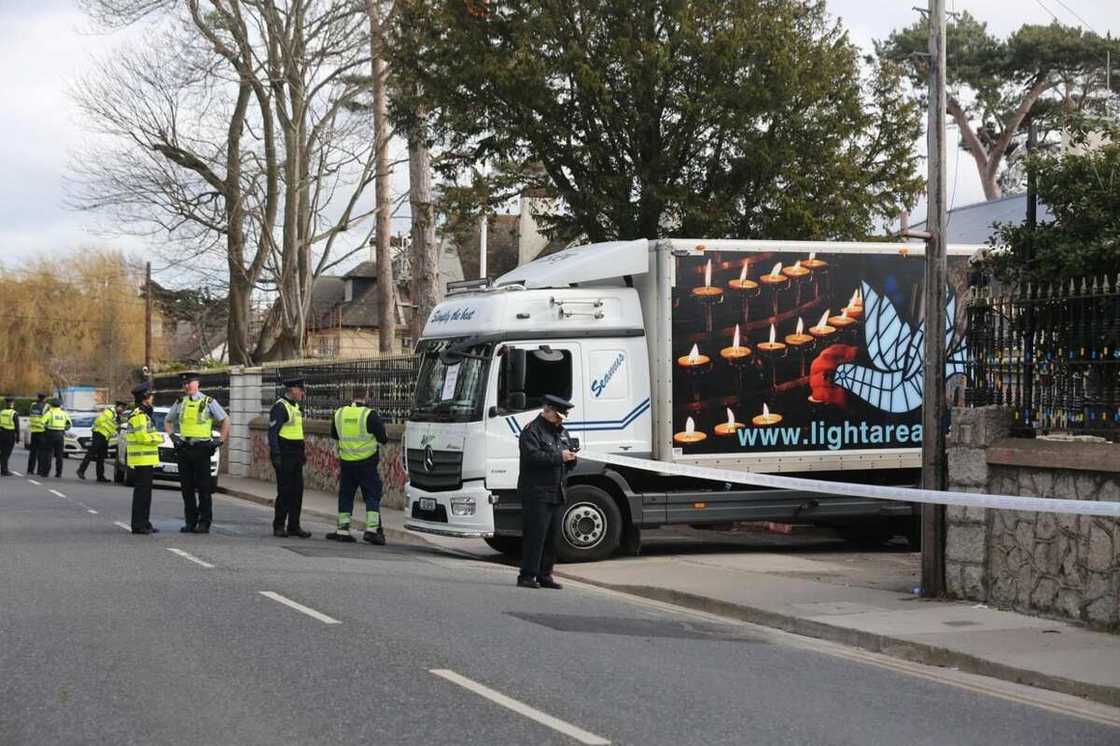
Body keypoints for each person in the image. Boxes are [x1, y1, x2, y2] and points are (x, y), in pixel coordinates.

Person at [516, 394, 577, 590]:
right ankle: (527, 575)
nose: (560, 420)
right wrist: (560, 456)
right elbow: (533, 457)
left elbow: (566, 460)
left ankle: (545, 574)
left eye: (562, 417)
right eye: (557, 416)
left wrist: (571, 459)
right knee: (536, 536)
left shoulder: (560, 432)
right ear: (547, 411)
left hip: (556, 490)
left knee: (552, 537)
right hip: (537, 491)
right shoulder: (532, 431)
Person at [165, 373, 230, 534]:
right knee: (186, 488)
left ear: (197, 383)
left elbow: (225, 420)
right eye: (184, 383)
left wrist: (220, 440)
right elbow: (168, 421)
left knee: (204, 488)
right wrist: (174, 437)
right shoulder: (180, 402)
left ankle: (204, 522)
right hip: (185, 448)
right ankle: (190, 522)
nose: (187, 386)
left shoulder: (208, 402)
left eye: (189, 383)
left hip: (202, 449)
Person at [326, 391, 388, 544]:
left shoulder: (339, 413)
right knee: (372, 495)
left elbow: (335, 435)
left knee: (346, 495)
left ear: (352, 396)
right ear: (366, 397)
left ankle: (343, 529)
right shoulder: (370, 415)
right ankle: (372, 530)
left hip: (347, 462)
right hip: (366, 463)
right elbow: (383, 438)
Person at [268, 377, 311, 538]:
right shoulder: (280, 407)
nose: (302, 393)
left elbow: (297, 432)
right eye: (300, 390)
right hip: (284, 455)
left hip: (296, 455)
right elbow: (273, 433)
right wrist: (276, 454)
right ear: (292, 390)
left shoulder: (296, 407)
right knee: (285, 492)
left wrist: (302, 453)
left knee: (297, 492)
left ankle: (294, 525)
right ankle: (279, 525)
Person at [127, 383, 162, 535]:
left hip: (146, 460)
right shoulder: (139, 415)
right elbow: (142, 436)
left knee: (146, 494)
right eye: (151, 396)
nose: (153, 398)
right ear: (145, 398)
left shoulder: (144, 414)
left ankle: (145, 523)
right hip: (142, 459)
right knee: (142, 494)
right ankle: (138, 525)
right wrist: (157, 438)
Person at [78, 401, 125, 483]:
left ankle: (100, 476)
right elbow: (99, 422)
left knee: (101, 457)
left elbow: (114, 426)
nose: (123, 410)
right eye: (122, 408)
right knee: (91, 454)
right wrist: (110, 428)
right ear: (117, 406)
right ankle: (80, 470)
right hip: (99, 434)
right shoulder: (109, 412)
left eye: (124, 409)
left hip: (105, 437)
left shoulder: (116, 415)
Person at [39, 398, 70, 479]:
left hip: (50, 434)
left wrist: (46, 428)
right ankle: (58, 473)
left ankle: (45, 473)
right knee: (59, 455)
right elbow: (69, 424)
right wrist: (64, 428)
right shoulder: (64, 413)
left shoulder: (50, 413)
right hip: (60, 435)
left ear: (52, 405)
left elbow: (42, 422)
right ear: (60, 405)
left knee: (48, 454)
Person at [25, 393, 47, 475]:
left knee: (33, 452)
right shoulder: (46, 406)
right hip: (42, 431)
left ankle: (30, 470)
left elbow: (31, 415)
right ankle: (39, 470)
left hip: (33, 430)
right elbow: (47, 418)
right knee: (41, 452)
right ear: (45, 398)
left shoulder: (33, 405)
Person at [0, 397, 19, 476]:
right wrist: (18, 437)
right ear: (12, 404)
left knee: (2, 452)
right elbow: (17, 426)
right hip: (10, 435)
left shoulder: (1, 412)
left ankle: (3, 468)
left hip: (1, 434)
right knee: (6, 453)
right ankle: (4, 470)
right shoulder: (14, 413)